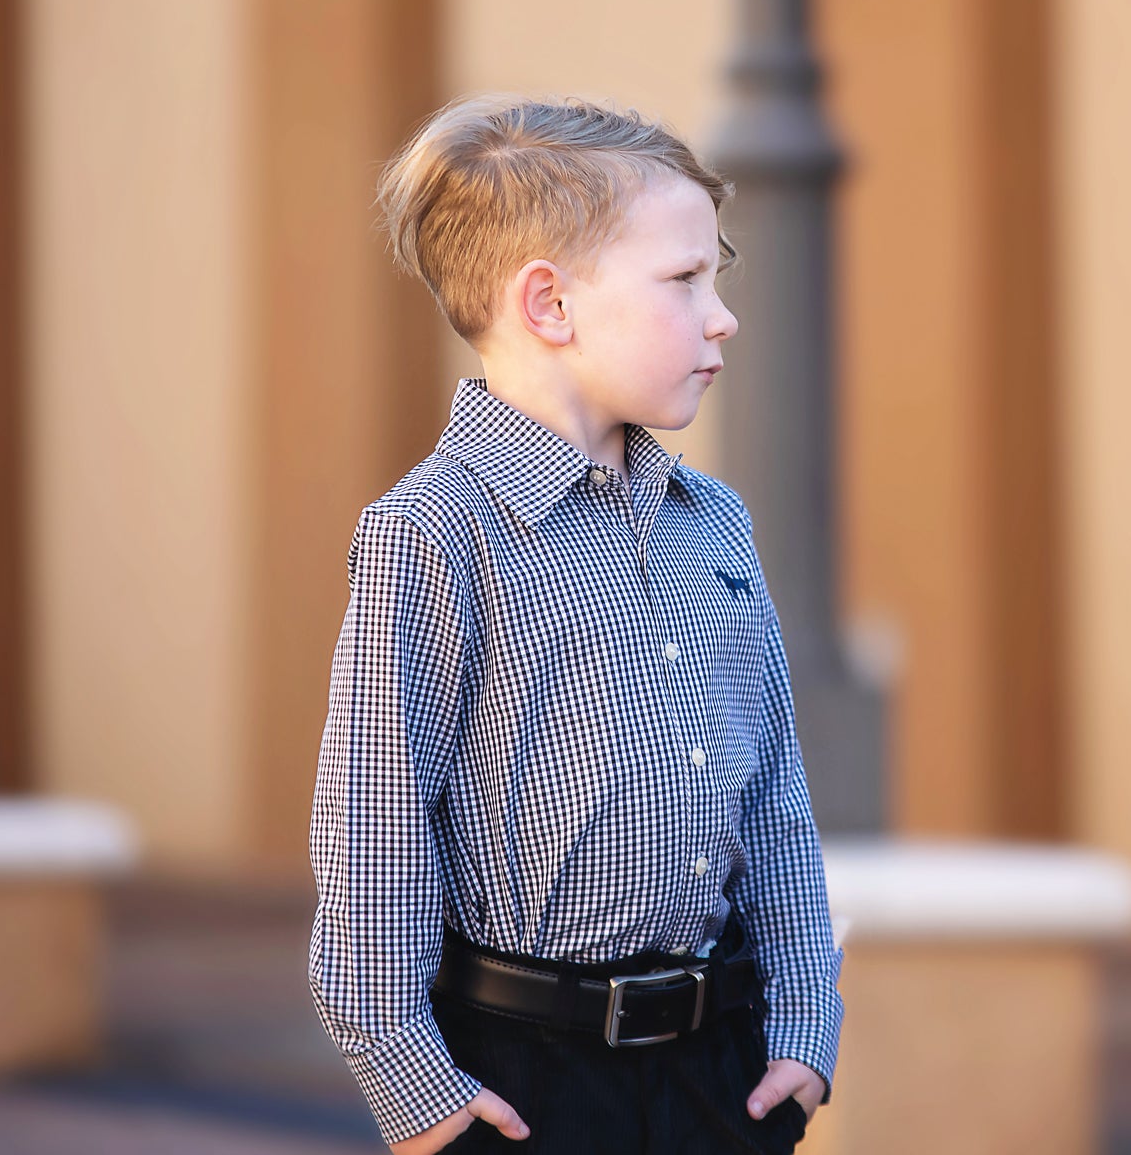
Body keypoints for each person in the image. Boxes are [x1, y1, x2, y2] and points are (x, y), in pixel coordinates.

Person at [307, 94, 843, 1153]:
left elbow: (776, 791)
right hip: (524, 1084)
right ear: (548, 304)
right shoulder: (432, 532)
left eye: (715, 274)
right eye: (685, 278)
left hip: (720, 1073)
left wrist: (804, 1026)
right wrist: (417, 1093)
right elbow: (373, 831)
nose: (721, 311)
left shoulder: (715, 523)